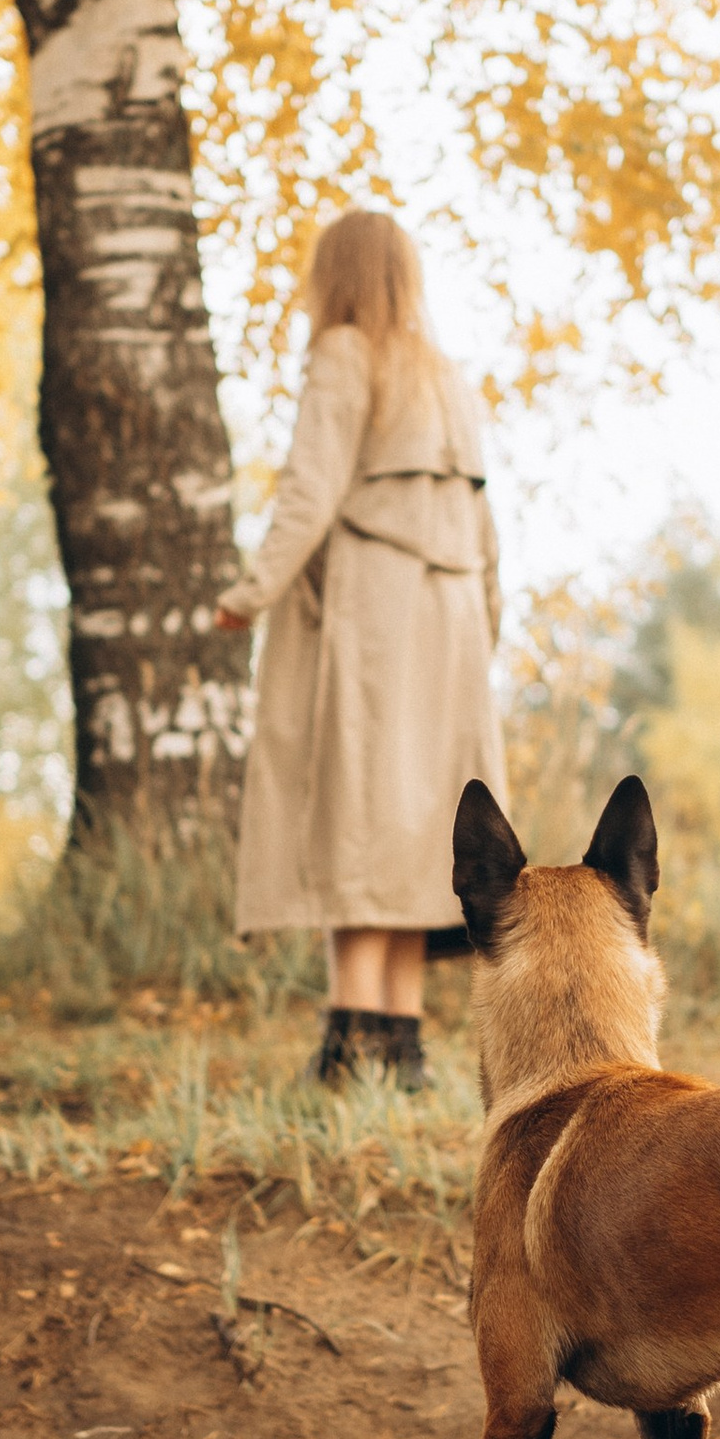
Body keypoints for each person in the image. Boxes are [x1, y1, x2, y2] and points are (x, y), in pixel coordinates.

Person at [216, 211, 505, 1084]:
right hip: (453, 617)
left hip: (377, 612)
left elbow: (310, 490)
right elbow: (485, 526)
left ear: (334, 275)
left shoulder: (344, 354)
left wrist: (250, 593)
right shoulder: (444, 375)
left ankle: (349, 1042)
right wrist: (486, 625)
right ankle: (402, 1045)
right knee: (419, 828)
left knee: (360, 813)